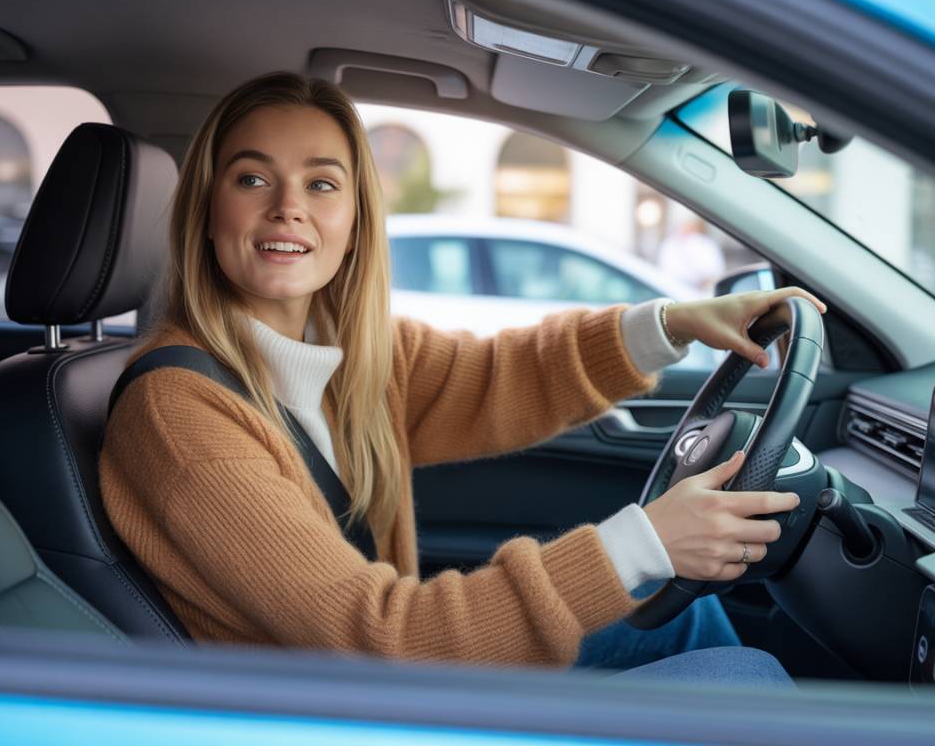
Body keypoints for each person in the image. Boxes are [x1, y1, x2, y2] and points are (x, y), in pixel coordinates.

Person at [100, 72, 825, 683]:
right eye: (252, 178)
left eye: (321, 183)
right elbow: (381, 640)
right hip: (334, 713)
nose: (288, 206)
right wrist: (645, 542)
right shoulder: (178, 413)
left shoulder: (356, 357)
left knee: (682, 613)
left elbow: (507, 374)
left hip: (385, 686)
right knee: (744, 679)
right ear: (207, 212)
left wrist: (676, 322)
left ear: (355, 222)